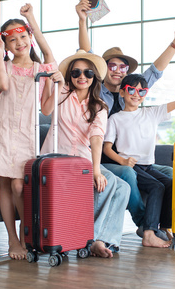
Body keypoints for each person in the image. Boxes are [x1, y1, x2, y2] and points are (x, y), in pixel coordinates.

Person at [76, 0, 175, 237]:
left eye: (122, 67)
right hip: (105, 155)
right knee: (127, 173)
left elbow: (155, 72)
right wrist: (82, 20)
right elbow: (85, 54)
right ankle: (143, 223)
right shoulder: (95, 90)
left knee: (170, 174)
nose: (118, 70)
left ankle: (163, 223)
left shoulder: (131, 91)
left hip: (132, 157)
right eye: (112, 66)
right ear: (103, 69)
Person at [0, 4, 63, 260]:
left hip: (27, 133)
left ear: (30, 39)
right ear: (5, 43)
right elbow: (3, 85)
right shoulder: (0, 64)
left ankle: (30, 235)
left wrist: (31, 19)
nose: (19, 43)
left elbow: (46, 109)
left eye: (23, 37)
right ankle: (13, 240)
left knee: (19, 185)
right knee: (6, 183)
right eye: (11, 40)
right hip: (0, 130)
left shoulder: (44, 69)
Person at [40, 50, 130, 258]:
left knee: (122, 187)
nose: (82, 77)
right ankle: (89, 239)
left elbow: (96, 138)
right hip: (56, 157)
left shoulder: (99, 106)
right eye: (77, 72)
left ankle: (99, 238)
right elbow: (45, 110)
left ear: (94, 78)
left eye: (88, 73)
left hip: (81, 159)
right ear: (70, 76)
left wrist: (96, 170)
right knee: (111, 181)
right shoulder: (61, 93)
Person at [103, 74, 175, 248]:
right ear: (122, 92)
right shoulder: (115, 118)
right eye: (132, 90)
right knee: (156, 187)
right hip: (132, 166)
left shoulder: (151, 113)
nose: (136, 94)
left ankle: (164, 227)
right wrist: (122, 161)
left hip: (148, 166)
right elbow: (107, 148)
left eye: (142, 91)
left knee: (170, 183)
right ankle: (149, 234)